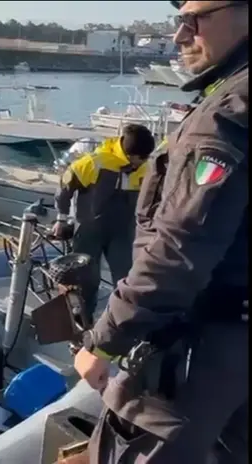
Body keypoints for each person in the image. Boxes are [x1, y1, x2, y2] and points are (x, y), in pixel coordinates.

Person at [74, 1, 249, 463]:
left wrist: (105, 341)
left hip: (197, 349)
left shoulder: (226, 116)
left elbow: (180, 245)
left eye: (194, 19)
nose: (179, 35)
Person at [51, 124, 156, 321]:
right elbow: (65, 188)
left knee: (125, 277)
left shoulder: (145, 168)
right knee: (86, 279)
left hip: (122, 233)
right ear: (130, 154)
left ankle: (120, 320)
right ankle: (83, 317)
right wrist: (61, 219)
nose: (145, 161)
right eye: (142, 158)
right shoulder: (94, 163)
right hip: (89, 231)